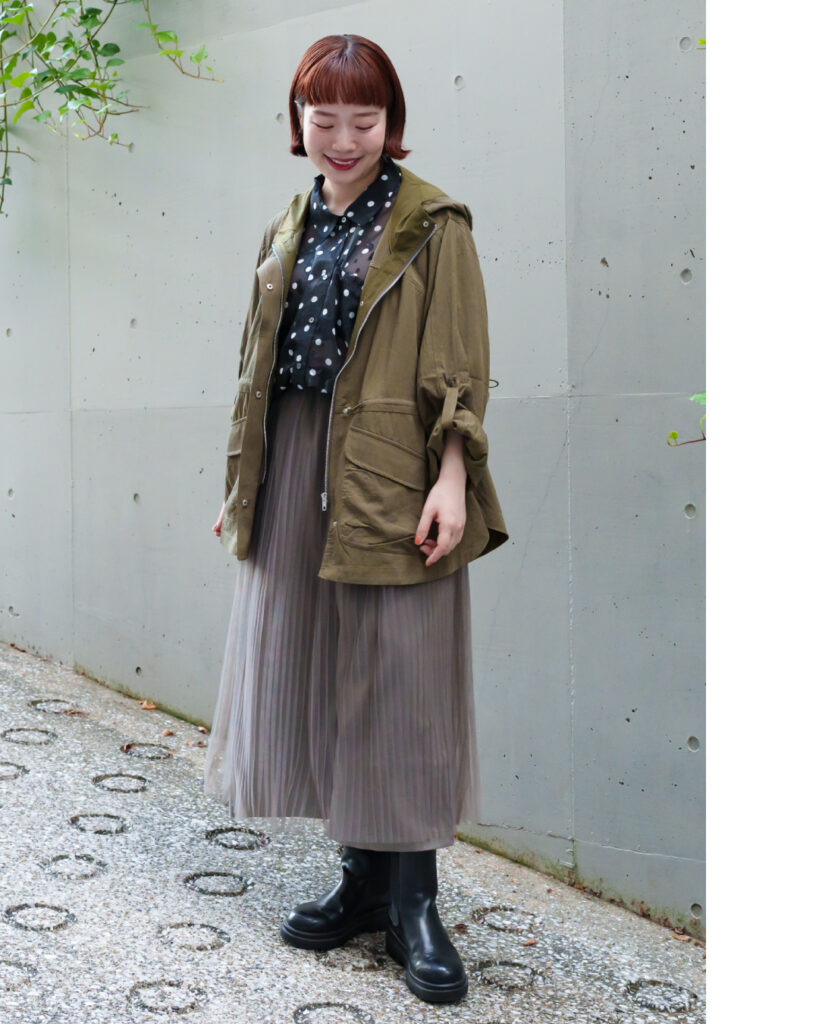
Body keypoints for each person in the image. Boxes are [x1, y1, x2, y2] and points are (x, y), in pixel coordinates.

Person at [204, 33, 508, 1005]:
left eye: (363, 120)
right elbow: (256, 373)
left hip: (391, 467)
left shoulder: (432, 224)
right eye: (324, 118)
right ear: (296, 122)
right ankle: (361, 882)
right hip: (295, 460)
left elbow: (459, 368)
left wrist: (450, 478)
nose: (342, 138)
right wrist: (244, 487)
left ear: (392, 122)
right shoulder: (285, 225)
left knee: (401, 675)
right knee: (323, 667)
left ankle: (414, 900)